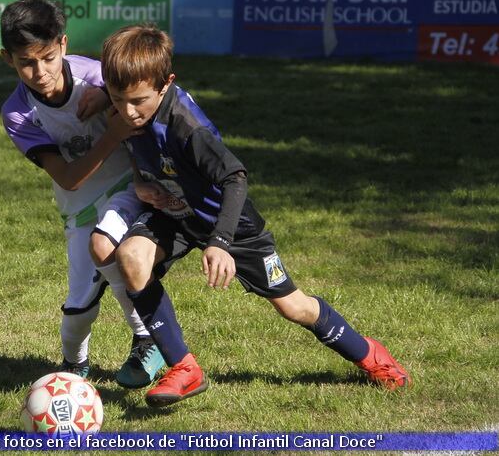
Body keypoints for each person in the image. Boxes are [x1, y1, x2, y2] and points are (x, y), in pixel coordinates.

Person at [100, 24, 411, 407]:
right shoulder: (122, 97)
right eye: (117, 99)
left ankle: (371, 356)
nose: (127, 111)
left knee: (294, 307)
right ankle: (183, 367)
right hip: (176, 212)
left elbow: (235, 177)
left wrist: (220, 243)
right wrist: (140, 178)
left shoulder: (188, 128)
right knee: (131, 256)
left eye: (138, 101)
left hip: (229, 224)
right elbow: (116, 109)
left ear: (166, 85)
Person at [0, 0, 165, 388]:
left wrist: (109, 93)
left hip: (129, 190)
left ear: (63, 45)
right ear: (8, 59)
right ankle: (74, 367)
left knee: (119, 257)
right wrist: (113, 131)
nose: (40, 72)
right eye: (26, 62)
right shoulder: (17, 112)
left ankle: (148, 340)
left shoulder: (97, 74)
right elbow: (69, 177)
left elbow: (154, 94)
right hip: (79, 206)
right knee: (78, 308)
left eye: (48, 58)